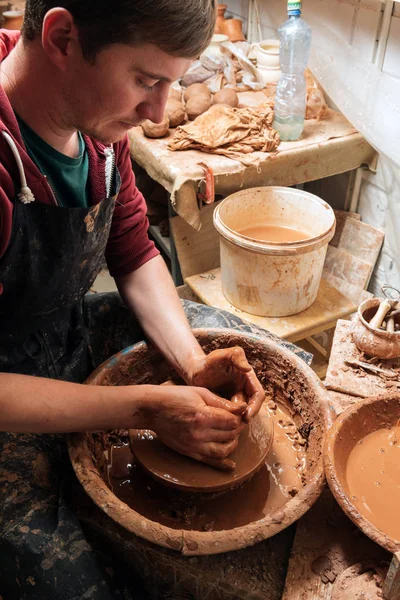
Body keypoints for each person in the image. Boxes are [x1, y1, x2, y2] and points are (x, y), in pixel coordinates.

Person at [0, 1, 266, 597]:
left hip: (59, 329)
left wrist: (190, 362)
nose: (157, 111)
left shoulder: (96, 124)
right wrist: (144, 408)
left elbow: (132, 249)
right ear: (64, 37)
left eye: (170, 84)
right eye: (147, 81)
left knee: (243, 343)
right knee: (68, 579)